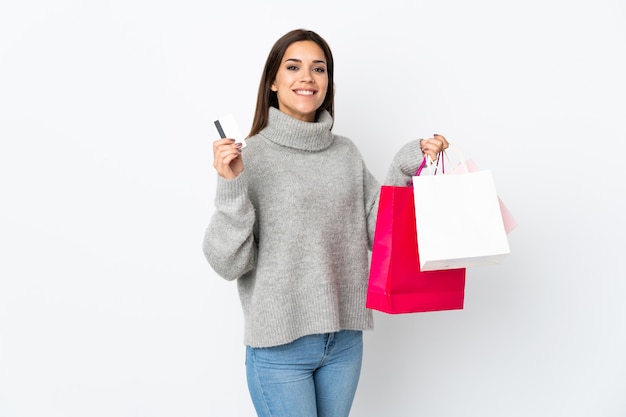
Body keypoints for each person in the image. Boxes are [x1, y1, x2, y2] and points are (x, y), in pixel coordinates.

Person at [203, 28, 448, 417]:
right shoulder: (250, 157)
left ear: (328, 82)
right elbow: (228, 262)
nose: (307, 77)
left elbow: (379, 231)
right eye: (293, 67)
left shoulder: (345, 153)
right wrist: (231, 186)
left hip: (344, 340)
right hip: (279, 348)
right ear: (272, 81)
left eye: (319, 68)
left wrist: (406, 164)